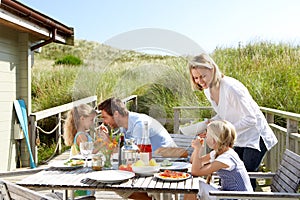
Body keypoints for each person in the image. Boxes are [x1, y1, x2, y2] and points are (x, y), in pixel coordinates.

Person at [188, 53, 278, 190]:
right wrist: (210, 123)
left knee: (247, 172)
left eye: (202, 76)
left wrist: (224, 132)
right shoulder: (208, 90)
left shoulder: (231, 88)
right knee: (236, 173)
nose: (200, 81)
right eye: (196, 77)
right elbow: (225, 112)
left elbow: (251, 119)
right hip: (239, 136)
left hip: (255, 137)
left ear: (212, 69)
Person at [190, 120, 253, 200]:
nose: (205, 137)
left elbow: (195, 172)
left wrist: (198, 149)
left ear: (215, 139)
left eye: (207, 134)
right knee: (193, 182)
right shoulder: (219, 152)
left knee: (193, 185)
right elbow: (194, 162)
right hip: (228, 194)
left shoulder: (226, 158)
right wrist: (197, 149)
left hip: (237, 198)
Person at [97, 97, 177, 152]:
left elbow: (135, 155)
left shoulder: (140, 125)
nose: (104, 122)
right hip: (152, 163)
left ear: (116, 114)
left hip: (169, 164)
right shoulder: (124, 125)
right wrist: (107, 139)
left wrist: (107, 141)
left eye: (105, 117)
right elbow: (126, 151)